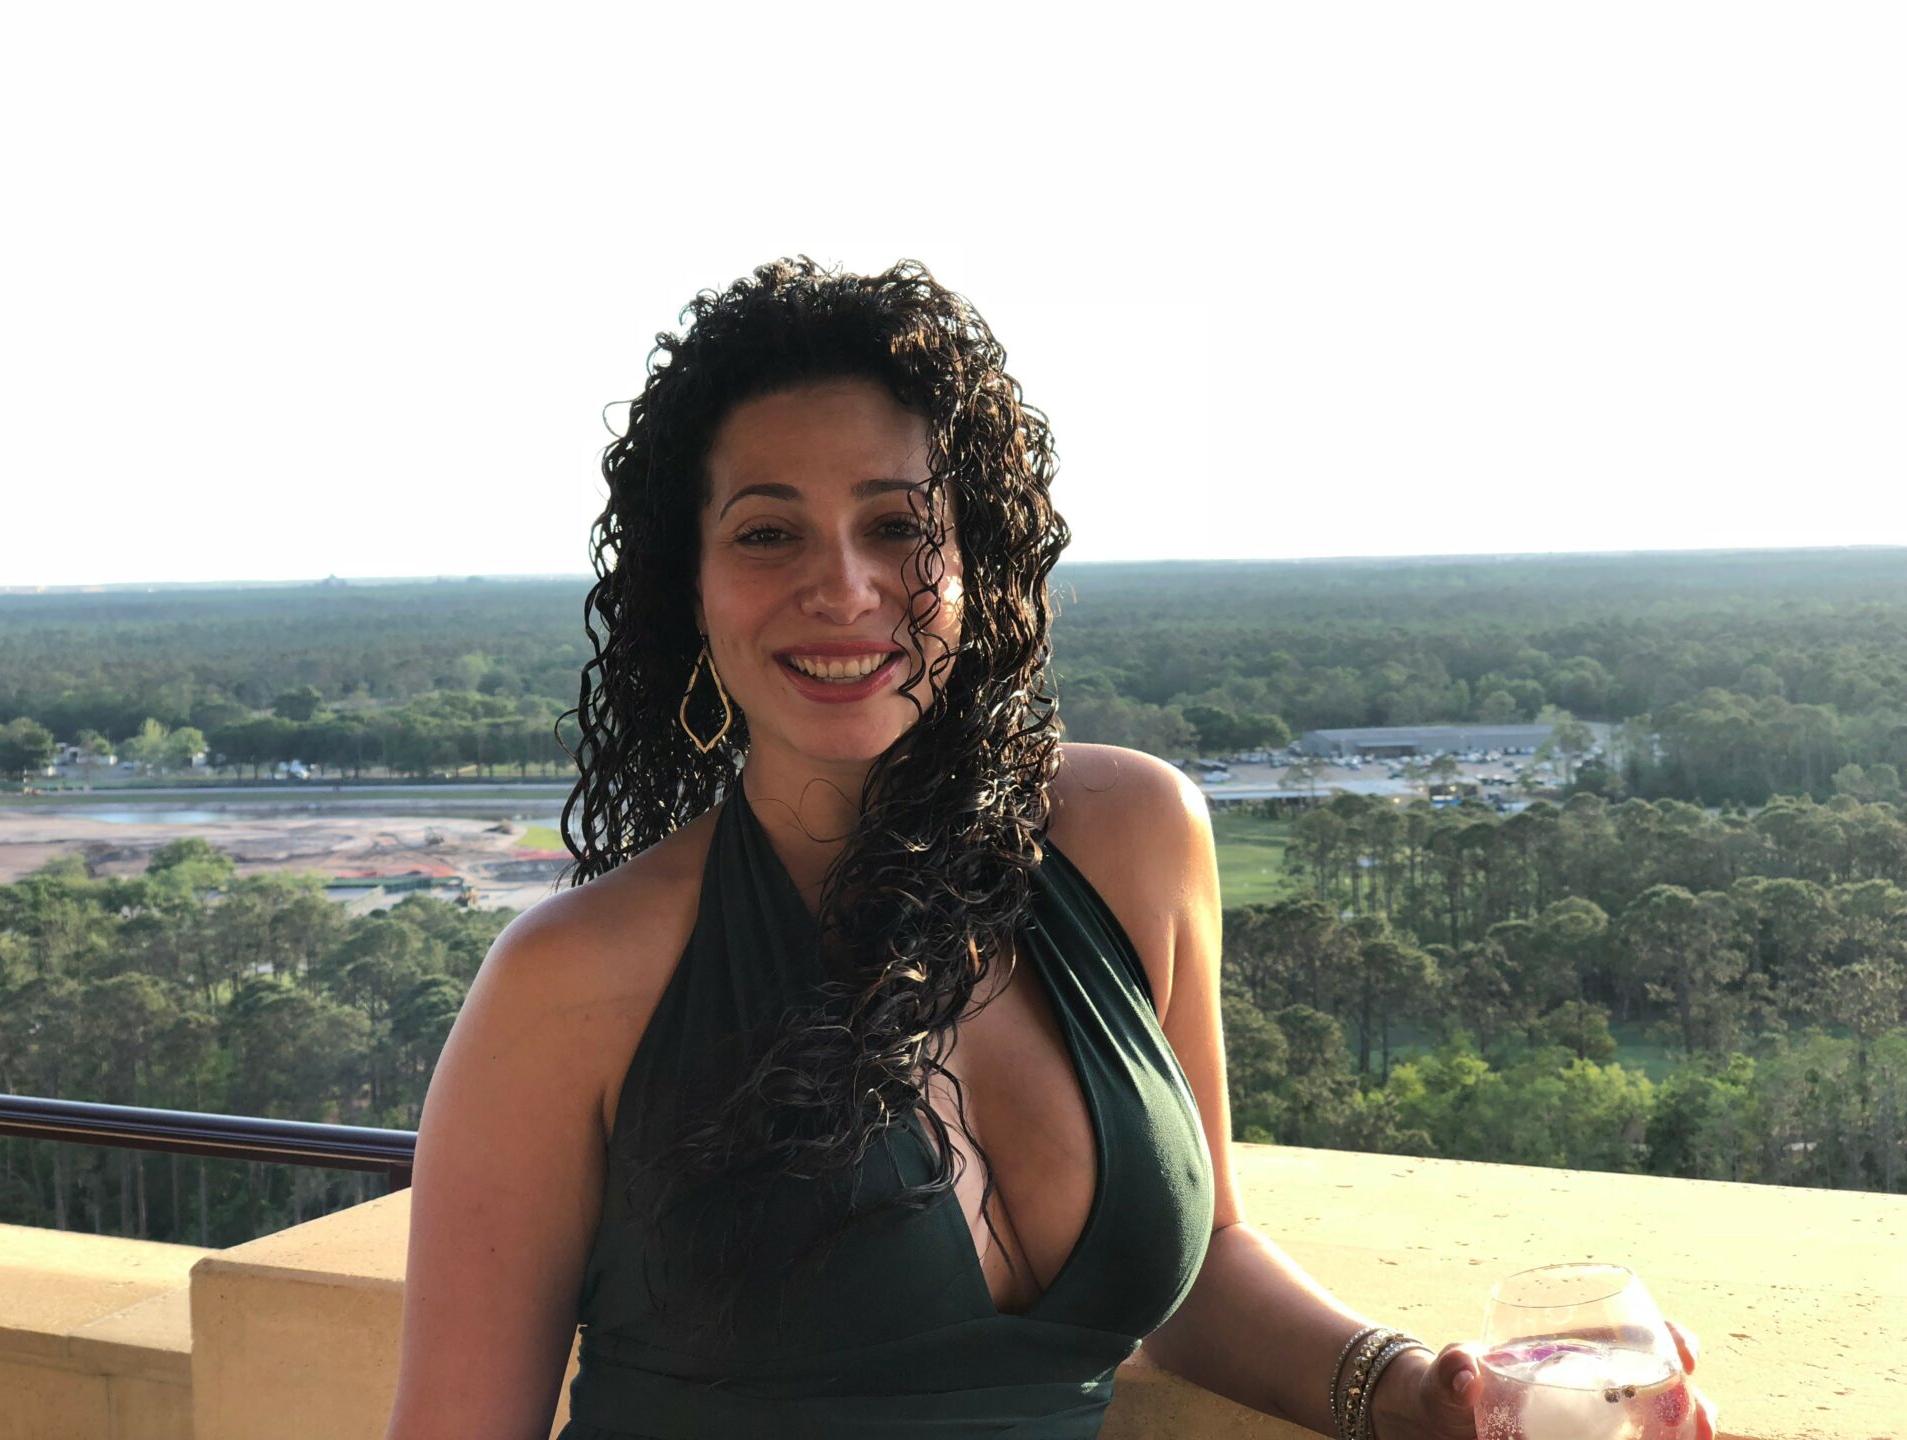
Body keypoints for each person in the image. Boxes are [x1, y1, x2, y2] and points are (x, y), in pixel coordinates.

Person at [385, 258, 1716, 1440]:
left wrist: (1412, 1390)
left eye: (899, 525)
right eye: (768, 532)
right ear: (690, 584)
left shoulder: (1134, 840)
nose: (842, 585)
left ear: (978, 558)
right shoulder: (576, 981)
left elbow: (1201, 1266)